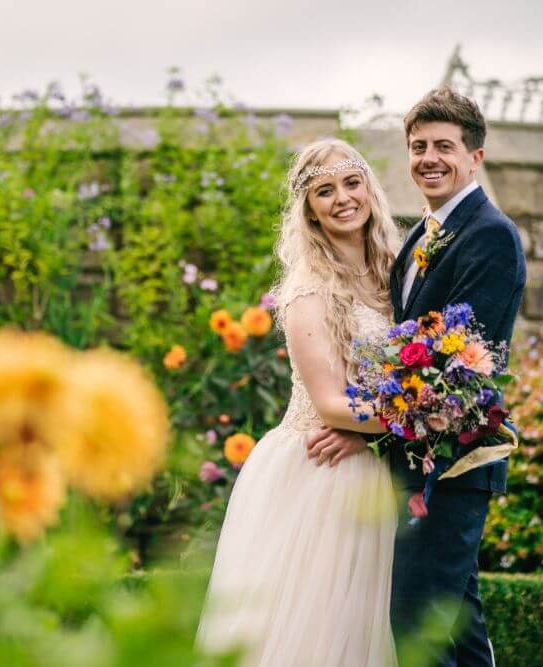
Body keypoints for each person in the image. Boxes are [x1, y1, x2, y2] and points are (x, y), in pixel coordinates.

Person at [197, 138, 402, 666]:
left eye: (351, 183)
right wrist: (419, 419)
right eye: (324, 191)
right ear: (309, 210)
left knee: (357, 631)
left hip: (365, 463)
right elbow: (332, 405)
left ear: (370, 190)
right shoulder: (309, 289)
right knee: (312, 629)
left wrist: (383, 429)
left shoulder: (391, 278)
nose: (342, 199)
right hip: (317, 469)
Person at [383, 87, 527, 667]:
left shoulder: (489, 234)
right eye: (418, 146)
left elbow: (462, 366)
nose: (429, 158)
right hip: (420, 460)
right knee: (458, 629)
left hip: (453, 461)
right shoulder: (422, 233)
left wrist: (369, 421)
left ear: (476, 156)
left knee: (418, 625)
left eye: (444, 145)